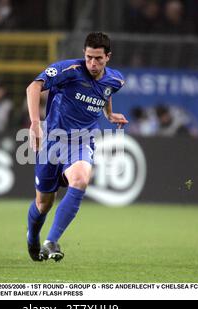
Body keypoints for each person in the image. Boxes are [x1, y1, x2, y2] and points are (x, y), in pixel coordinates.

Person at [25, 32, 128, 262]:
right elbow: (33, 88)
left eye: (98, 59)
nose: (92, 63)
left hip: (82, 142)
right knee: (43, 204)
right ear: (84, 53)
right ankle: (32, 236)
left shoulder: (116, 80)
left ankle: (51, 241)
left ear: (107, 57)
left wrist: (109, 114)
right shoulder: (68, 70)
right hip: (53, 141)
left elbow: (105, 93)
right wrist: (34, 123)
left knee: (80, 179)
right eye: (89, 57)